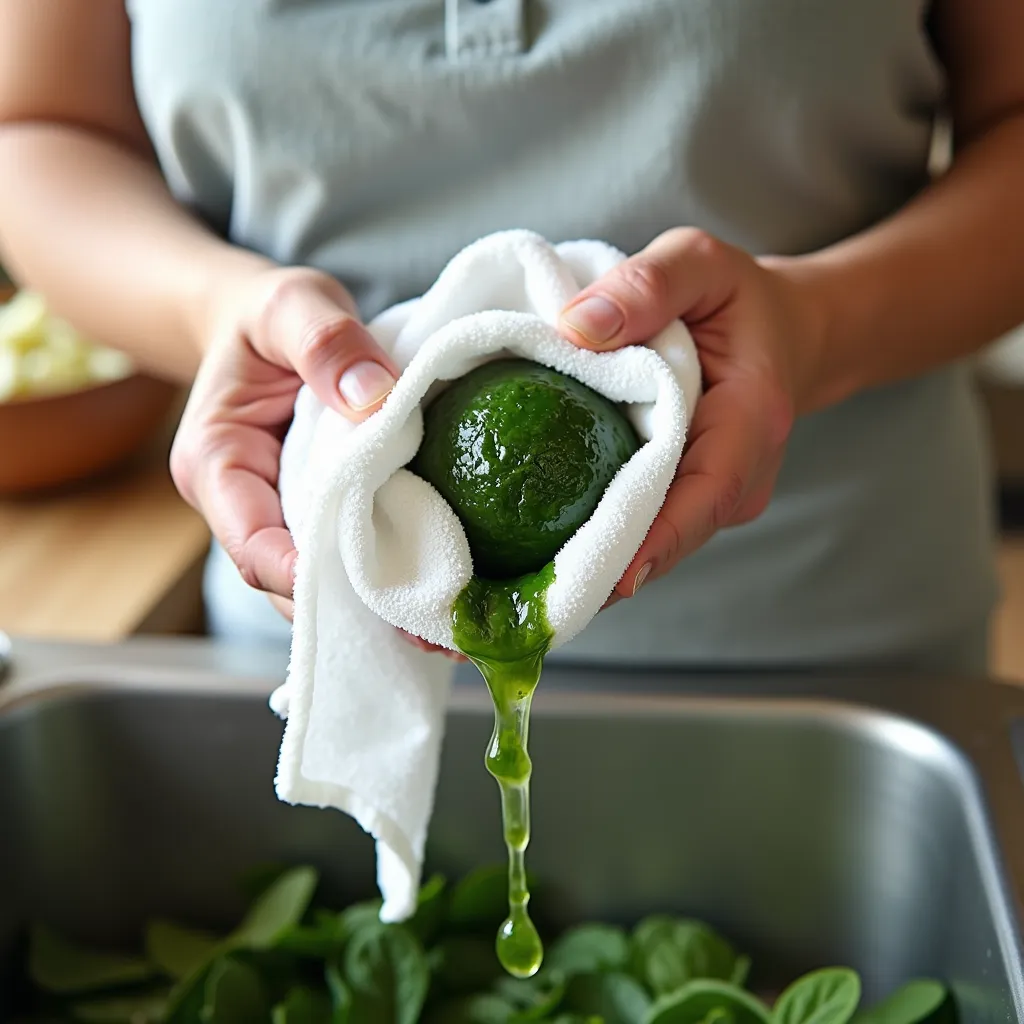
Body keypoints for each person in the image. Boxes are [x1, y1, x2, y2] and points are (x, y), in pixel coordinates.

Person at [1, 1, 1022, 674]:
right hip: (328, 632)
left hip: (833, 631)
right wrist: (211, 308)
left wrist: (815, 326)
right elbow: (43, 127)